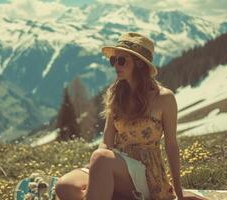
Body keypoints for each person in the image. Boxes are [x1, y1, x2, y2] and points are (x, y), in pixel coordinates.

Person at [54, 33, 206, 200]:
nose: (115, 66)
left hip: (146, 171)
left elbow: (171, 145)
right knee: (64, 186)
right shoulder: (115, 93)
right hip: (115, 164)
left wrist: (178, 191)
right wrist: (97, 171)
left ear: (139, 63)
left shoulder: (164, 98)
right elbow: (106, 141)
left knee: (100, 159)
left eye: (121, 60)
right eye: (114, 60)